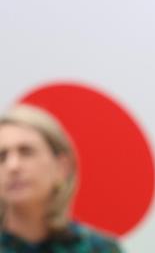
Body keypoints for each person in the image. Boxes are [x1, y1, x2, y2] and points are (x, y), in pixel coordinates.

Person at [0, 105, 121, 253]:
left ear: (61, 167)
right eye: (2, 157)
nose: (13, 166)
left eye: (26, 152)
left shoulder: (99, 248)